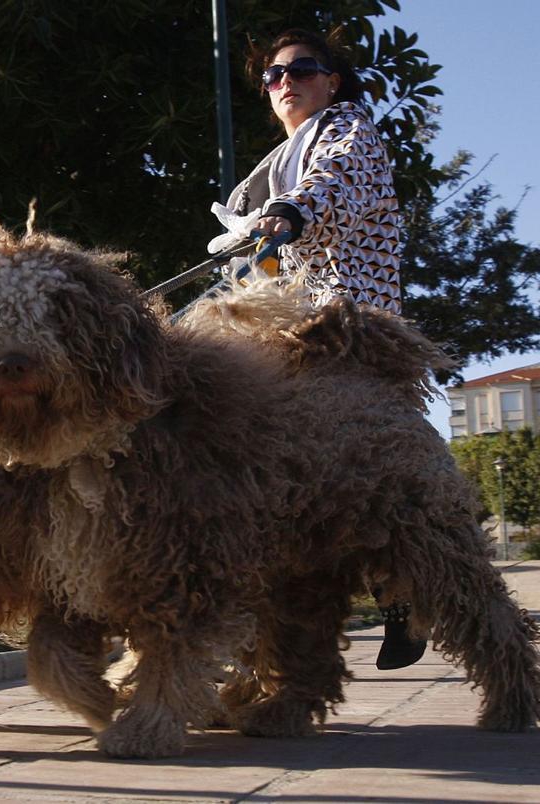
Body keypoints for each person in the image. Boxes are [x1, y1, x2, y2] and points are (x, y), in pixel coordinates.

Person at [208, 28, 423, 670]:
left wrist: (291, 215)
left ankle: (410, 595)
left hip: (355, 339)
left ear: (332, 81)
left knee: (375, 478)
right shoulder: (285, 165)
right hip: (305, 341)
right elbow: (279, 263)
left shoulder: (347, 129)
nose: (287, 84)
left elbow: (333, 186)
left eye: (302, 70)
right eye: (274, 77)